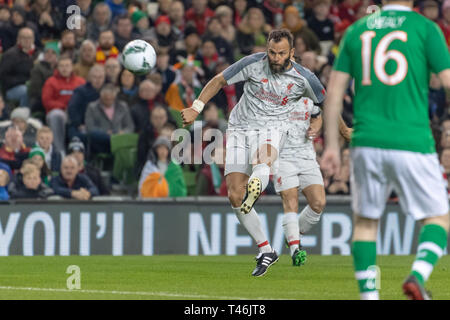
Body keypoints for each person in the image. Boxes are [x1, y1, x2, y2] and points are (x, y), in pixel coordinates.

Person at [321, 0, 450, 300]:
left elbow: (335, 92)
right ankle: (417, 276)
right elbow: (447, 82)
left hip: (366, 142)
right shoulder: (425, 29)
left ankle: (370, 297)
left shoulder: (356, 31)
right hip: (412, 140)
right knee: (439, 219)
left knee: (366, 223)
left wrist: (331, 145)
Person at [181, 29, 326, 277]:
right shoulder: (252, 64)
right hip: (240, 128)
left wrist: (321, 124)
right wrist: (196, 108)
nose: (276, 58)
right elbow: (218, 80)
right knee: (235, 196)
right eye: (272, 52)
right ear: (267, 49)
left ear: (292, 52)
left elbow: (323, 104)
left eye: (281, 53)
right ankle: (266, 249)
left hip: (274, 129)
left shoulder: (306, 79)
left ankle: (258, 179)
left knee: (264, 157)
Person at [42, 55, 86, 153]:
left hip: (76, 113)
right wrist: (63, 107)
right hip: (60, 112)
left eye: (67, 66)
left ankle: (82, 153)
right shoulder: (51, 82)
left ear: (72, 67)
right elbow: (47, 101)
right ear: (57, 67)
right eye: (62, 66)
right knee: (57, 115)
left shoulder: (80, 81)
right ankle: (59, 151)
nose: (64, 68)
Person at [85, 83, 135, 155]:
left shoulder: (123, 106)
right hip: (101, 141)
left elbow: (130, 126)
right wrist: (105, 132)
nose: (108, 101)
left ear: (114, 97)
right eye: (105, 99)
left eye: (111, 99)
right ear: (101, 97)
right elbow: (90, 127)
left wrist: (123, 132)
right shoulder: (92, 107)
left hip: (120, 140)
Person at [0, 27, 39, 107]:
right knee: (26, 91)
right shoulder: (10, 55)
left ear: (33, 39)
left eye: (29, 37)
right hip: (12, 88)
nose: (27, 40)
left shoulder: (38, 53)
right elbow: (3, 76)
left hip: (34, 85)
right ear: (18, 39)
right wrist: (25, 81)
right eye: (24, 37)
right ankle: (23, 116)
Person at [67, 64, 106, 144]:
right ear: (90, 78)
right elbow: (72, 108)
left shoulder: (109, 90)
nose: (97, 80)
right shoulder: (80, 91)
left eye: (100, 77)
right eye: (95, 77)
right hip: (81, 124)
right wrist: (79, 124)